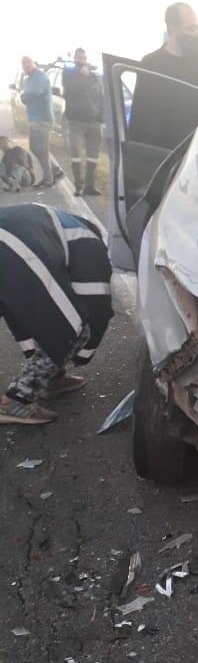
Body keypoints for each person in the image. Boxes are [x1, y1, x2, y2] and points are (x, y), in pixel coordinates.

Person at [0, 204, 113, 424]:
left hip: (9, 243)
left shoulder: (54, 227)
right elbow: (98, 308)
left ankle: (52, 378)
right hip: (8, 244)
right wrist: (81, 354)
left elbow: (23, 314)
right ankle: (16, 400)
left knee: (32, 308)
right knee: (73, 327)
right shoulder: (90, 242)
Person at [128, 2, 198, 150]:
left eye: (197, 27)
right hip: (165, 154)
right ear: (173, 29)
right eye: (190, 28)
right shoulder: (151, 64)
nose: (196, 34)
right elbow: (139, 117)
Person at [63, 47, 103, 197]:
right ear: (74, 59)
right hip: (76, 122)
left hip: (94, 122)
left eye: (84, 58)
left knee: (93, 156)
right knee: (76, 154)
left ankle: (90, 186)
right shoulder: (68, 75)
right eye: (79, 58)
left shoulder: (93, 77)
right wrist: (82, 76)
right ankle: (78, 186)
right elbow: (69, 92)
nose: (82, 61)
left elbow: (100, 97)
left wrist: (101, 117)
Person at [19, 56, 55, 187]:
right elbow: (25, 97)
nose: (26, 65)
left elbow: (34, 92)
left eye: (28, 62)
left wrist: (24, 95)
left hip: (42, 118)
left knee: (42, 150)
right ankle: (55, 170)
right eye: (24, 64)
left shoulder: (40, 76)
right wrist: (24, 96)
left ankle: (48, 180)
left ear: (34, 63)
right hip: (33, 118)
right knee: (34, 148)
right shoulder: (28, 80)